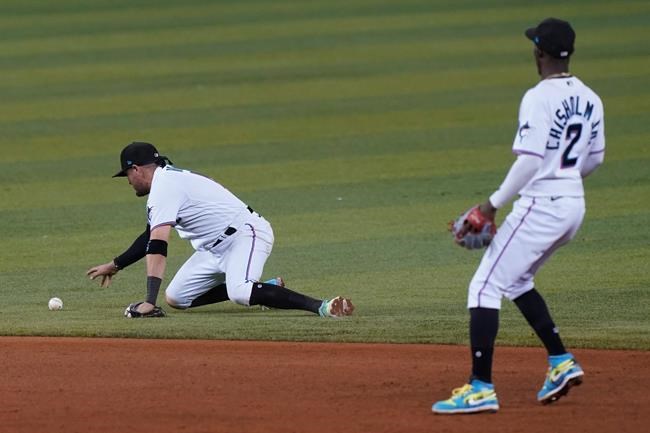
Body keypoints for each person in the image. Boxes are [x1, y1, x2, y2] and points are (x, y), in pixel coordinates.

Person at [432, 18, 605, 414]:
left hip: (542, 205)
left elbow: (529, 161)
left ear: (539, 53)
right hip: (573, 205)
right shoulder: (591, 97)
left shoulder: (537, 97)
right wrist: (563, 178)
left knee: (483, 287)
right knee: (518, 279)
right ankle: (561, 361)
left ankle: (480, 388)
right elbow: (594, 159)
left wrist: (489, 206)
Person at [87, 141, 354, 318]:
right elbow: (149, 236)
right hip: (211, 250)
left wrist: (148, 302)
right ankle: (265, 288)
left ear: (136, 169)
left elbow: (158, 244)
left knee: (239, 292)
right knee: (177, 298)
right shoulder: (165, 182)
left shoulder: (164, 186)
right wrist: (116, 264)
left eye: (127, 175)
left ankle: (322, 306)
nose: (128, 182)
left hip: (244, 235)